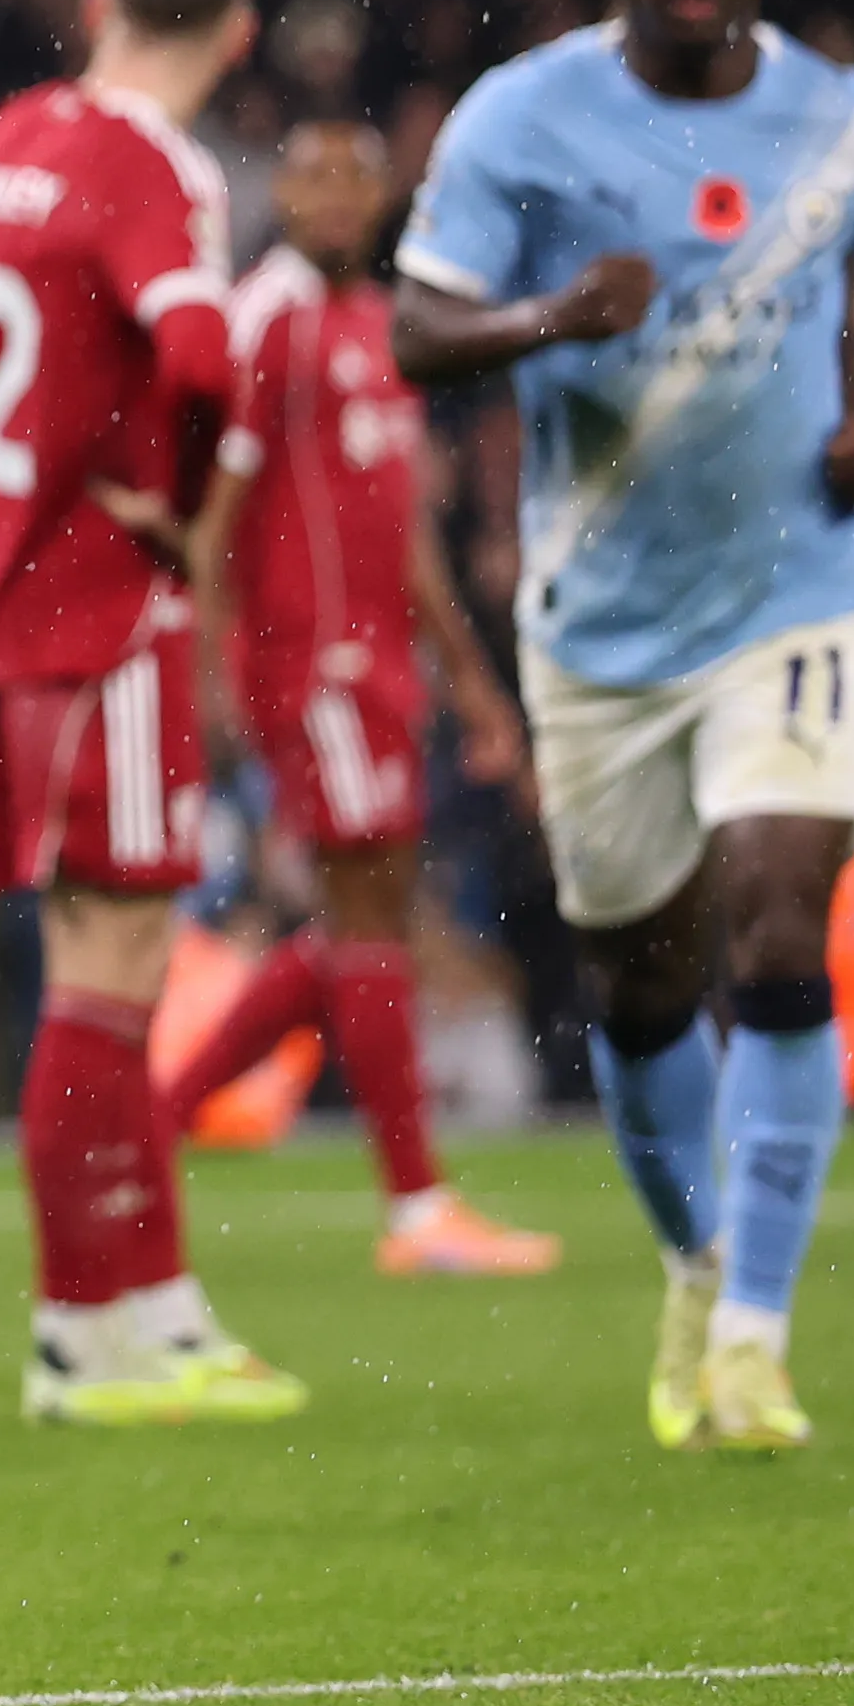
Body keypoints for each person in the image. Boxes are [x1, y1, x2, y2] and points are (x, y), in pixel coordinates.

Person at [391, 0, 854, 1455]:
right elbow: (414, 327)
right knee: (638, 989)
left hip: (795, 588)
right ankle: (694, 1267)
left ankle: (756, 1331)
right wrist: (545, 318)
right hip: (601, 626)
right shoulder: (518, 118)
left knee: (776, 928)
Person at [0, 0, 308, 1426]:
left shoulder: (10, 134)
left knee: (111, 967)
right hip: (100, 606)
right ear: (238, 34)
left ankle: (150, 1305)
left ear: (94, 4)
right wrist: (166, 495)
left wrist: (15, 438)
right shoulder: (157, 168)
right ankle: (83, 1328)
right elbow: (198, 352)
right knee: (106, 974)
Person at [162, 119, 562, 1278]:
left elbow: (405, 525)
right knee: (370, 915)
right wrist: (208, 667)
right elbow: (212, 508)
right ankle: (416, 1208)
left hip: (381, 664)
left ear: (385, 197)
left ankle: (157, 1118)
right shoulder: (266, 317)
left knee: (355, 923)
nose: (333, 197)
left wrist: (469, 677)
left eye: (353, 178)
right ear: (280, 196)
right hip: (308, 662)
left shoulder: (383, 325)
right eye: (310, 177)